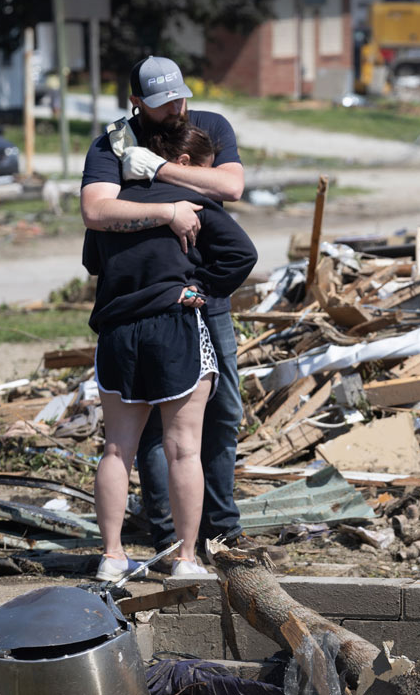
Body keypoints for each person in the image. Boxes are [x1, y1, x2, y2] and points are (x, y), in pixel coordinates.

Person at [80, 55, 251, 573]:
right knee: (167, 439)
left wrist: (160, 172)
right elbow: (95, 213)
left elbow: (232, 186)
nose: (175, 108)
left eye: (179, 97)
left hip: (193, 303)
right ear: (136, 103)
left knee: (219, 416)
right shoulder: (112, 143)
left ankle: (218, 530)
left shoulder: (210, 126)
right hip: (165, 309)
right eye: (161, 103)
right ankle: (175, 541)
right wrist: (168, 210)